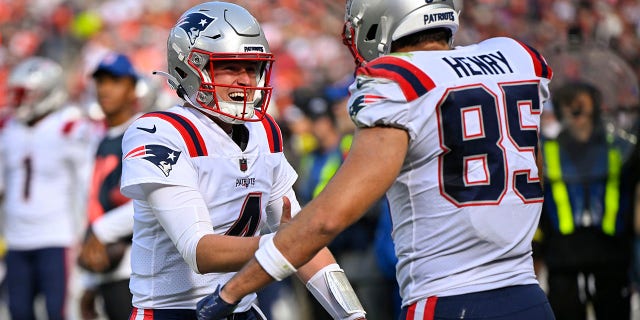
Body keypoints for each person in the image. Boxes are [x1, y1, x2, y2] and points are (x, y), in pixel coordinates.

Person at [197, 0, 557, 319]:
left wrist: (231, 292)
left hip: (450, 299)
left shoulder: (399, 82)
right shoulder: (516, 58)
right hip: (528, 296)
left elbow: (327, 219)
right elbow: (533, 176)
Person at [119, 2, 366, 320]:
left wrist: (351, 314)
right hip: (173, 311)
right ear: (189, 67)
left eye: (252, 67)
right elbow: (200, 252)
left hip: (243, 308)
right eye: (231, 67)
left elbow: (302, 241)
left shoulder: (264, 131)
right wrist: (286, 244)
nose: (246, 80)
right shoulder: (158, 132)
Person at [0, 56, 96, 320]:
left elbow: (87, 184)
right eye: (15, 94)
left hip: (56, 235)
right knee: (18, 311)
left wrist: (87, 229)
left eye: (25, 95)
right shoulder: (8, 128)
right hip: (16, 239)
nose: (17, 101)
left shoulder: (70, 126)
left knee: (60, 312)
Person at [534, 81, 635, 319]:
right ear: (559, 109)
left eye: (582, 103)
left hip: (611, 251)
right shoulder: (548, 149)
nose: (576, 110)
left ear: (596, 106)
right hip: (563, 254)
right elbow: (539, 202)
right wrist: (537, 249)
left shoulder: (618, 145)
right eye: (569, 104)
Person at [76, 52, 140, 320]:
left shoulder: (144, 130)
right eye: (100, 81)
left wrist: (101, 232)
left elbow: (152, 202)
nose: (104, 89)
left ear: (132, 87)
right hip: (107, 272)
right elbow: (95, 205)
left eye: (114, 80)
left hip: (139, 271)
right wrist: (90, 282)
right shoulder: (101, 140)